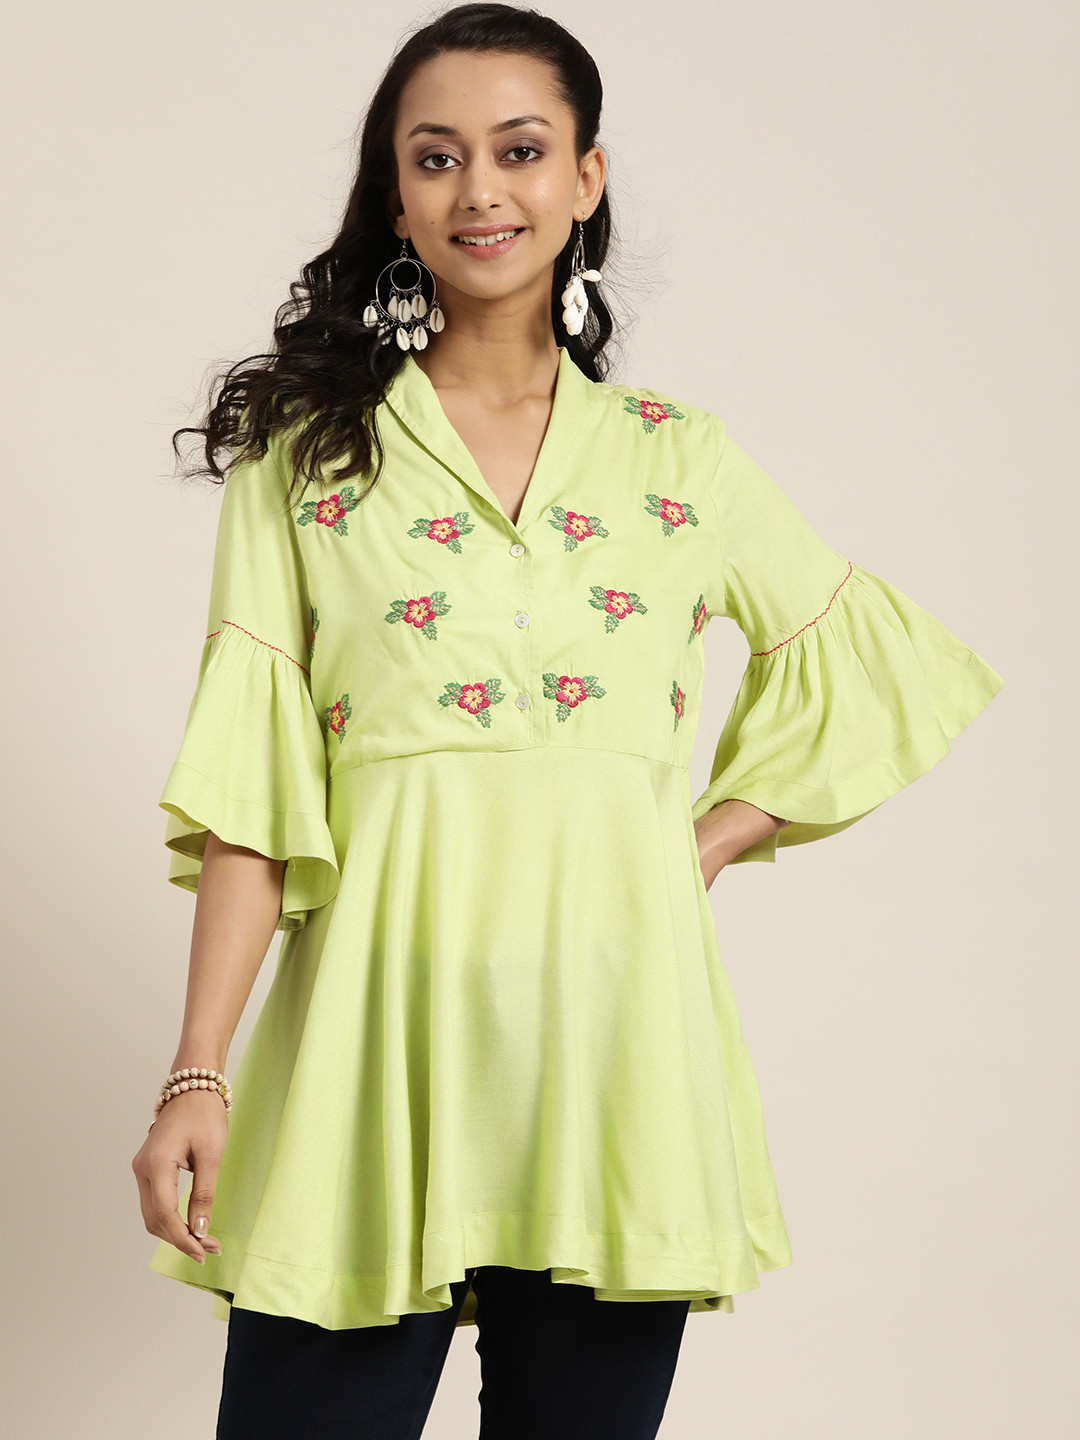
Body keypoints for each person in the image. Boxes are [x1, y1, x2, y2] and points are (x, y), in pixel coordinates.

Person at [130, 5, 1005, 1437]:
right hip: (367, 1053)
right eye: (436, 157)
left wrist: (695, 843)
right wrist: (197, 1070)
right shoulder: (308, 460)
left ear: (586, 178)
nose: (480, 190)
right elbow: (253, 792)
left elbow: (869, 666)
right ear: (395, 197)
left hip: (615, 1053)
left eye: (521, 150)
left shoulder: (678, 457)